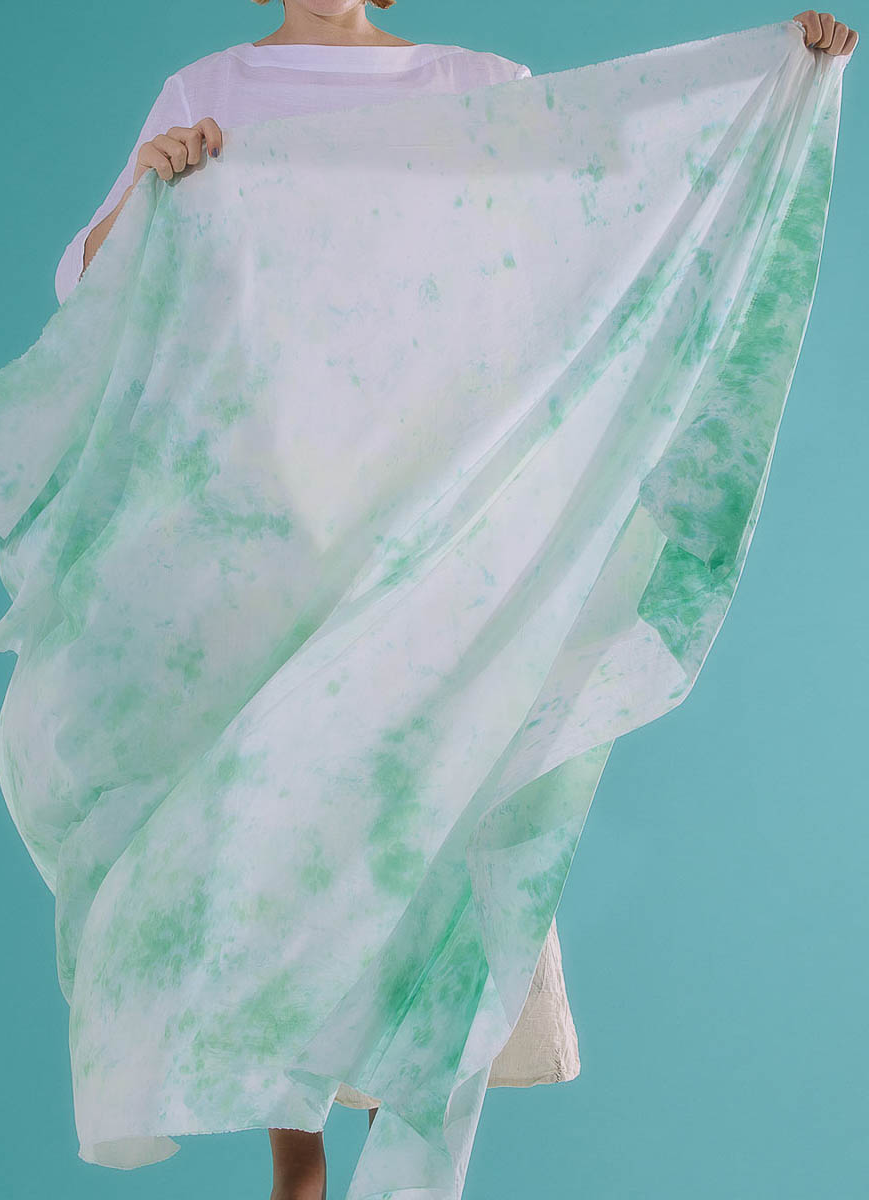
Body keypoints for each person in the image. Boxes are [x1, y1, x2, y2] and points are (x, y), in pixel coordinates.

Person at [56, 4, 858, 1198]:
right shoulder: (208, 87)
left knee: (419, 794)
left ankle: (389, 1127)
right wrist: (153, 188)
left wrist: (776, 73)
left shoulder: (475, 79)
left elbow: (613, 197)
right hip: (274, 501)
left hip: (440, 498)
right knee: (270, 802)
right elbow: (89, 285)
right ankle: (295, 1152)